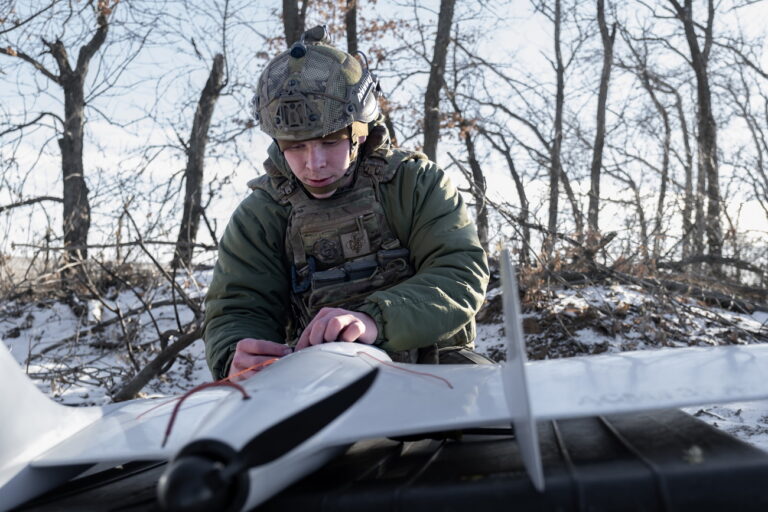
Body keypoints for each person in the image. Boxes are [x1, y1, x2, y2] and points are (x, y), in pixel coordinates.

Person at [204, 26, 490, 381]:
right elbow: (238, 307)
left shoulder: (416, 184)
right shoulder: (261, 215)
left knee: (504, 414)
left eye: (330, 142)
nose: (314, 163)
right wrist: (236, 354)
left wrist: (373, 320)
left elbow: (459, 274)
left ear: (360, 131)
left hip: (434, 369)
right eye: (295, 147)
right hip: (318, 382)